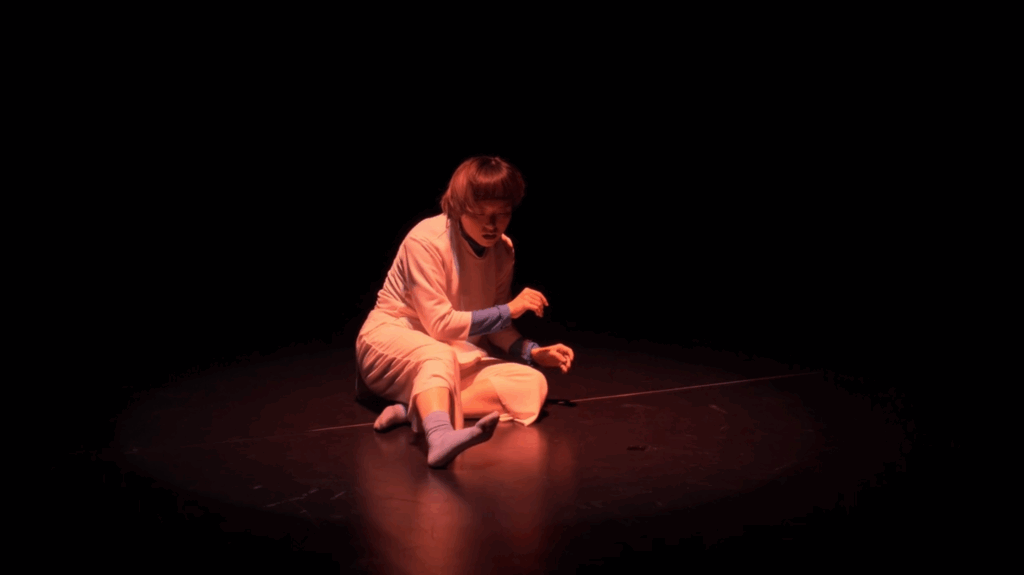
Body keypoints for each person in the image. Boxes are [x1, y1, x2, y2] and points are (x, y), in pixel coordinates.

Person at [355, 155, 575, 468]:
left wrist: (532, 352)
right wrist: (509, 309)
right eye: (480, 213)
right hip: (391, 341)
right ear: (459, 207)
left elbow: (497, 326)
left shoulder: (503, 250)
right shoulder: (426, 240)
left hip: (451, 350)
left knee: (530, 384)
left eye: (502, 213)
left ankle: (413, 410)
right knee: (437, 355)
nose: (492, 224)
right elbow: (440, 325)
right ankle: (440, 436)